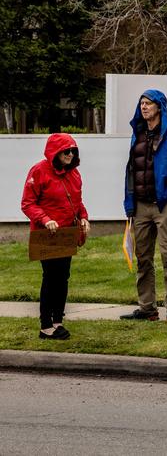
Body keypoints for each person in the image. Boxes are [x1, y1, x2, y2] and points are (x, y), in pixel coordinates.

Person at [120, 90, 167, 324]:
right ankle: (147, 308)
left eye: (149, 103)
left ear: (159, 107)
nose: (144, 107)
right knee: (143, 258)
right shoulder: (138, 133)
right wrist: (129, 202)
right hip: (141, 205)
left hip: (164, 205)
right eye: (141, 103)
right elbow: (132, 170)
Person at [21, 133, 90, 340]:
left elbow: (77, 202)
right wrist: (45, 218)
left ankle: (58, 320)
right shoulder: (39, 171)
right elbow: (28, 203)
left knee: (63, 277)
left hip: (67, 234)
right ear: (55, 152)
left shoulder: (74, 174)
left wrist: (84, 218)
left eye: (73, 151)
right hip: (47, 234)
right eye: (66, 151)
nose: (70, 154)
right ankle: (45, 325)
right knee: (50, 277)